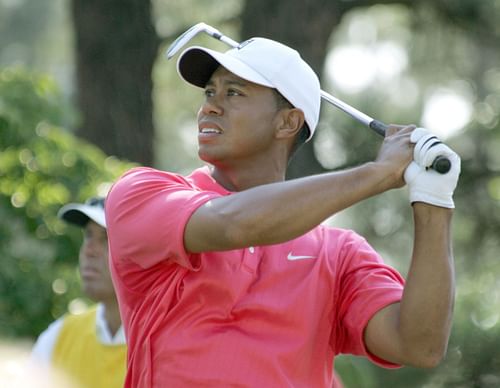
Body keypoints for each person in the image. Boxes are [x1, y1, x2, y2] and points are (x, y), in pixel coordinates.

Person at [105, 37, 461, 388]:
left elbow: (420, 346)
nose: (209, 107)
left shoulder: (339, 255)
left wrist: (434, 201)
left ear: (287, 123)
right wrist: (377, 173)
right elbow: (231, 224)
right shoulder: (143, 193)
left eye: (234, 93)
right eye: (209, 92)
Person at [32, 197, 126, 388]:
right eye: (88, 235)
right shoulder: (58, 336)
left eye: (105, 238)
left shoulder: (163, 342)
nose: (89, 250)